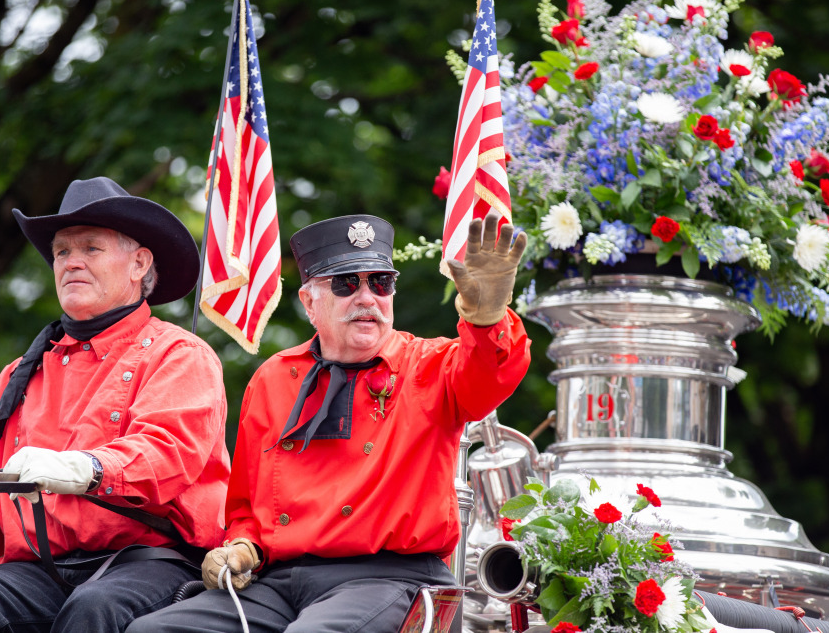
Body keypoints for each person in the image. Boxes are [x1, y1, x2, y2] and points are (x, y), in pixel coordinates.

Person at [128, 213, 530, 633]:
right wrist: (242, 546)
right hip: (279, 583)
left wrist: (486, 320)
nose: (367, 298)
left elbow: (493, 374)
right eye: (345, 284)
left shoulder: (430, 364)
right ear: (308, 302)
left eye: (380, 282)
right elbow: (247, 504)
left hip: (392, 578)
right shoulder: (273, 378)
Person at [0, 176, 231, 633]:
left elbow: (168, 453)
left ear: (140, 263)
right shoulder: (17, 375)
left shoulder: (178, 354)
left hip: (145, 561)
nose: (71, 262)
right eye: (62, 252)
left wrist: (90, 468)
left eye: (91, 249)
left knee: (95, 606)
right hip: (38, 570)